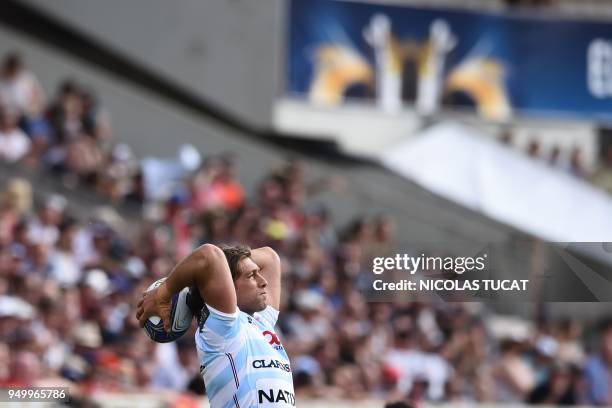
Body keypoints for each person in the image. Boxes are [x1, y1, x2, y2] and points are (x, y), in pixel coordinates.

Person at [136, 244, 294, 407]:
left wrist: (236, 263)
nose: (263, 282)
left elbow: (270, 257)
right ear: (228, 286)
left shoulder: (261, 321)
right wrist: (165, 291)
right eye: (252, 275)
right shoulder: (222, 327)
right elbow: (208, 255)